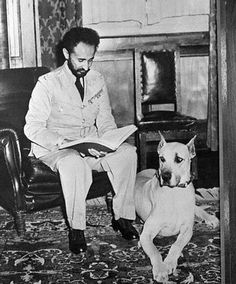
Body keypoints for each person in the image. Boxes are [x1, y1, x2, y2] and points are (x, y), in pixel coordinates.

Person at [24, 27, 139, 254]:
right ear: (67, 54)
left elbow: (105, 119)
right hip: (57, 148)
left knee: (127, 154)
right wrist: (66, 142)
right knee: (73, 162)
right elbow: (33, 127)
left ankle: (123, 217)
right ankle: (77, 229)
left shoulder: (97, 80)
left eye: (91, 60)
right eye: (81, 60)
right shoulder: (47, 83)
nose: (86, 66)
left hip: (90, 146)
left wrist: (108, 143)